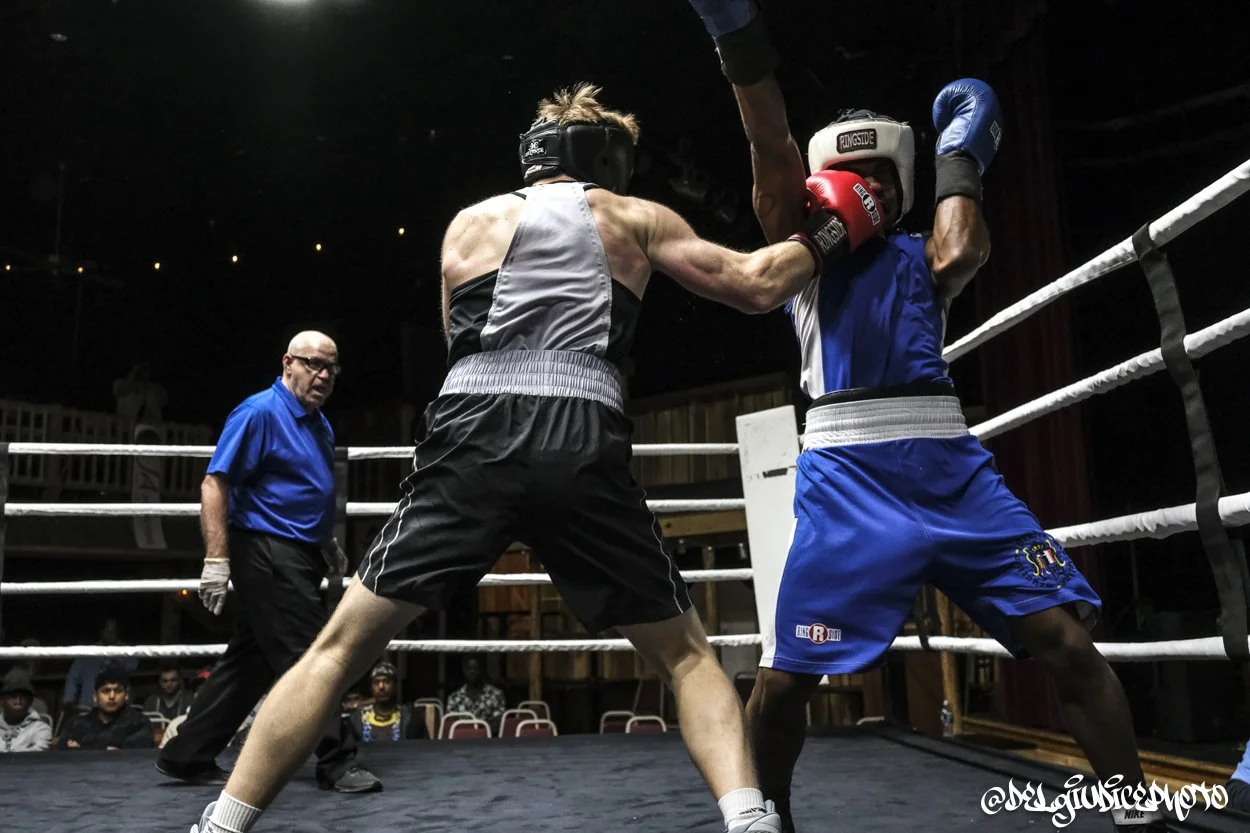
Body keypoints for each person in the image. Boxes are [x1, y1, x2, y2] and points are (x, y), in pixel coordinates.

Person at [186, 81, 873, 833]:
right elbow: (757, 285)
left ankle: (219, 825)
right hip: (580, 432)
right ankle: (751, 822)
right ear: (608, 158)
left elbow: (459, 348)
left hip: (472, 429)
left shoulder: (465, 225)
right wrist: (835, 231)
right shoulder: (632, 215)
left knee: (336, 648)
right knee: (685, 655)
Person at [686, 3, 1167, 831]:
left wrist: (960, 154)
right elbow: (770, 151)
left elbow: (962, 249)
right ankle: (776, 822)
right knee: (784, 679)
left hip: (951, 471)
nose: (865, 188)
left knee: (1066, 643)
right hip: (846, 476)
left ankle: (1135, 808)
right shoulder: (801, 258)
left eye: (880, 182)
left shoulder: (922, 256)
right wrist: (738, 36)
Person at [156, 331, 379, 794]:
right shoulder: (258, 412)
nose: (323, 376)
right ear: (287, 363)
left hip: (299, 552)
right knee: (309, 655)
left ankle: (187, 753)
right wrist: (215, 560)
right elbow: (215, 483)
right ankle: (337, 761)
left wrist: (326, 543)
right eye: (314, 364)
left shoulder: (317, 421)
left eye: (331, 369)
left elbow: (306, 490)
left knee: (252, 660)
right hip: (266, 551)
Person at [58, 666, 154, 751]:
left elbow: (134, 758)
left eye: (118, 690)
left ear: (126, 695)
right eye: (106, 691)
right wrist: (107, 749)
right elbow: (61, 756)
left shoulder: (139, 723)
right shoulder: (76, 724)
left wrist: (83, 748)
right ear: (95, 697)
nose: (112, 696)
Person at [348, 662, 427, 743]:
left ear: (395, 686)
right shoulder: (356, 720)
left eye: (386, 681)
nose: (381, 686)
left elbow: (422, 751)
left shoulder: (411, 719)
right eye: (376, 682)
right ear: (371, 687)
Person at [445, 656, 506, 731]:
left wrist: (480, 733)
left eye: (476, 668)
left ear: (482, 670)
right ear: (463, 670)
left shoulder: (496, 694)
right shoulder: (454, 697)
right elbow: (451, 724)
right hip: (461, 740)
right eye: (469, 668)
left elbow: (499, 722)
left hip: (488, 740)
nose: (472, 672)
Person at [0, 669, 51, 753]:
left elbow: (37, 754)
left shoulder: (40, 728)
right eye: (13, 695)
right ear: (1, 701)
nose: (18, 700)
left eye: (23, 695)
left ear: (30, 701)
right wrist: (24, 748)